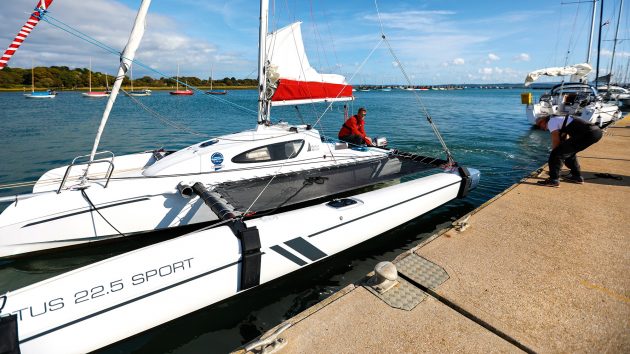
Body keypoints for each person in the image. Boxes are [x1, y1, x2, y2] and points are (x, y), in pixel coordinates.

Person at [535, 114, 602, 187]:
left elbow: (555, 141)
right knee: (568, 153)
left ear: (543, 120)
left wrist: (554, 155)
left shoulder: (551, 122)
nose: (540, 127)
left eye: (539, 125)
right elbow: (565, 138)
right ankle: (576, 176)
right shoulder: (559, 119)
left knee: (556, 154)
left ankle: (554, 180)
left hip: (588, 133)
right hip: (595, 132)